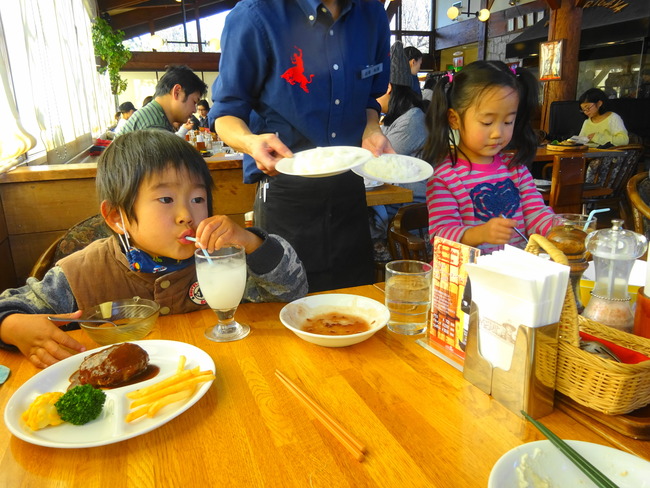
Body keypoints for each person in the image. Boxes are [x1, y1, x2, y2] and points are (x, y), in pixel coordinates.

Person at [0, 130, 307, 368]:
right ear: (116, 217)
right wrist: (12, 326)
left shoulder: (222, 261)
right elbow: (8, 308)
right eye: (166, 200)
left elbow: (293, 293)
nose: (187, 214)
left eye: (198, 199)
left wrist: (251, 243)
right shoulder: (80, 273)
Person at [209, 0, 392, 293]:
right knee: (287, 304)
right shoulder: (256, 15)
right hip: (286, 192)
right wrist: (251, 141)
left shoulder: (371, 14)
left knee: (355, 299)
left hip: (349, 189)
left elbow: (371, 98)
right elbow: (226, 113)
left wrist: (372, 128)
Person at [422, 60, 554, 254]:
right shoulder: (445, 178)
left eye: (508, 121)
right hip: (468, 279)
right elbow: (441, 236)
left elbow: (536, 215)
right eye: (487, 122)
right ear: (454, 119)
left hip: (514, 274)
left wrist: (559, 229)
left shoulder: (515, 168)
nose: (497, 133)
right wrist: (479, 234)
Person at [116, 65, 207, 136]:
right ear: (177, 92)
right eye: (194, 102)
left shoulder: (153, 115)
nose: (194, 110)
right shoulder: (154, 126)